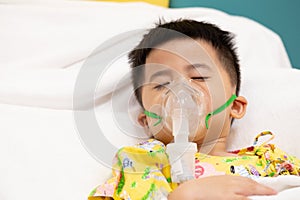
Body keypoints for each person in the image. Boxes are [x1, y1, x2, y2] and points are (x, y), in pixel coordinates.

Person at [88, 19, 299, 199]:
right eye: (162, 84)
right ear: (146, 121)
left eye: (198, 77)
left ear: (234, 106)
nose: (181, 91)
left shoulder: (270, 161)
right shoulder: (140, 163)